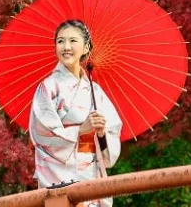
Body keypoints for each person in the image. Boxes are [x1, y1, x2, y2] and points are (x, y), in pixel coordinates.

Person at [29, 19, 123, 207]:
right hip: (59, 174)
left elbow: (109, 149)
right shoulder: (48, 88)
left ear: (86, 47)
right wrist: (81, 129)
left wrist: (101, 132)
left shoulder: (95, 91)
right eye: (60, 41)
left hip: (92, 171)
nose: (66, 47)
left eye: (73, 41)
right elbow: (43, 135)